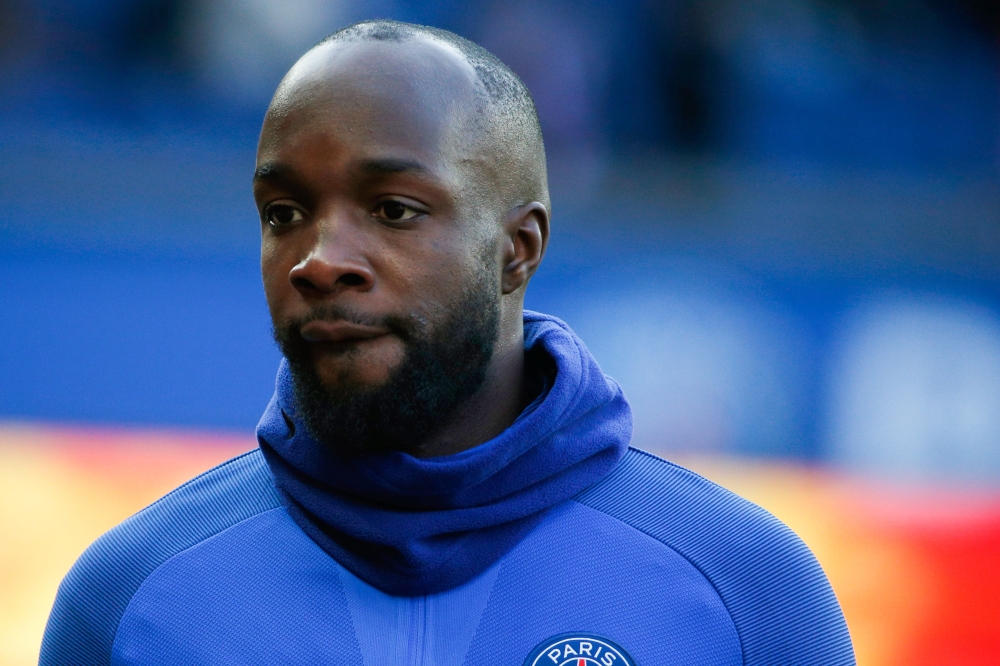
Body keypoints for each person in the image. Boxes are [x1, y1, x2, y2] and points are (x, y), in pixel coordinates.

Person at [40, 20, 854, 666]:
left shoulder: (747, 592)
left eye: (393, 209)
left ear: (518, 249)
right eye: (284, 213)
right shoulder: (128, 599)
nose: (319, 260)